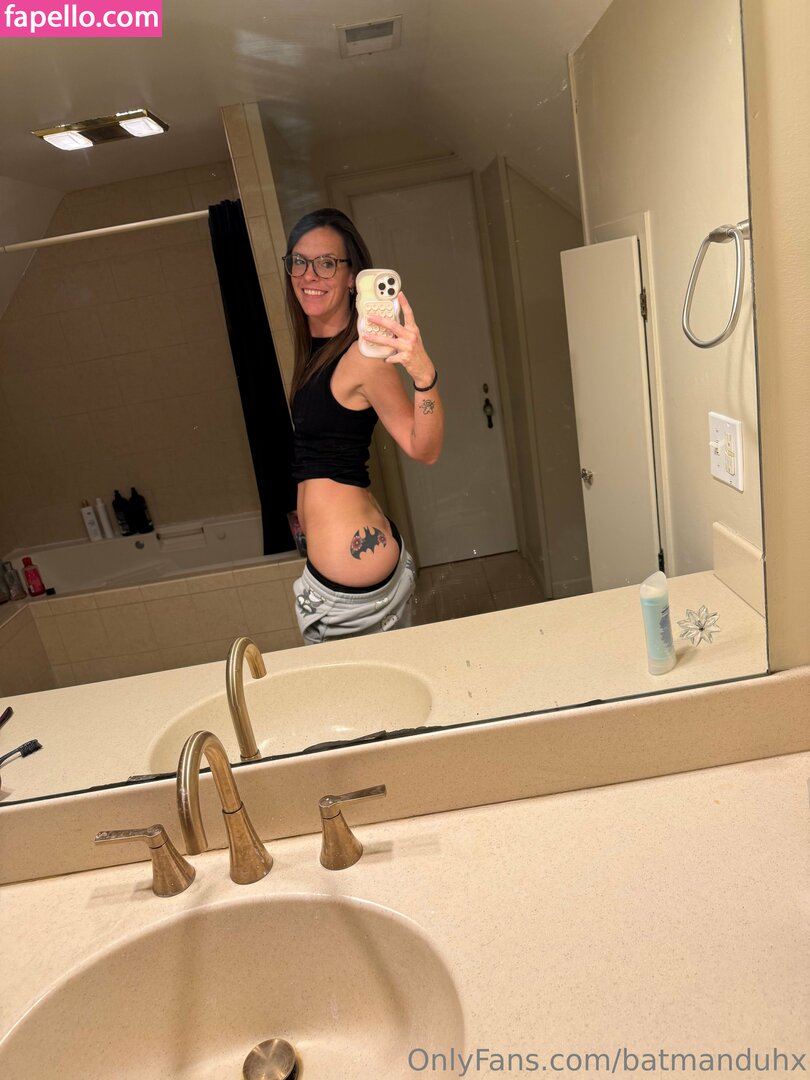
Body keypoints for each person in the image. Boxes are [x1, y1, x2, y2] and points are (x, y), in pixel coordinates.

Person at [284, 207, 444, 644]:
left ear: (353, 275)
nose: (309, 274)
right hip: (340, 588)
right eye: (299, 261)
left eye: (326, 263)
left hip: (352, 598)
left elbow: (424, 448)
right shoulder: (315, 347)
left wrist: (424, 375)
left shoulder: (363, 358)